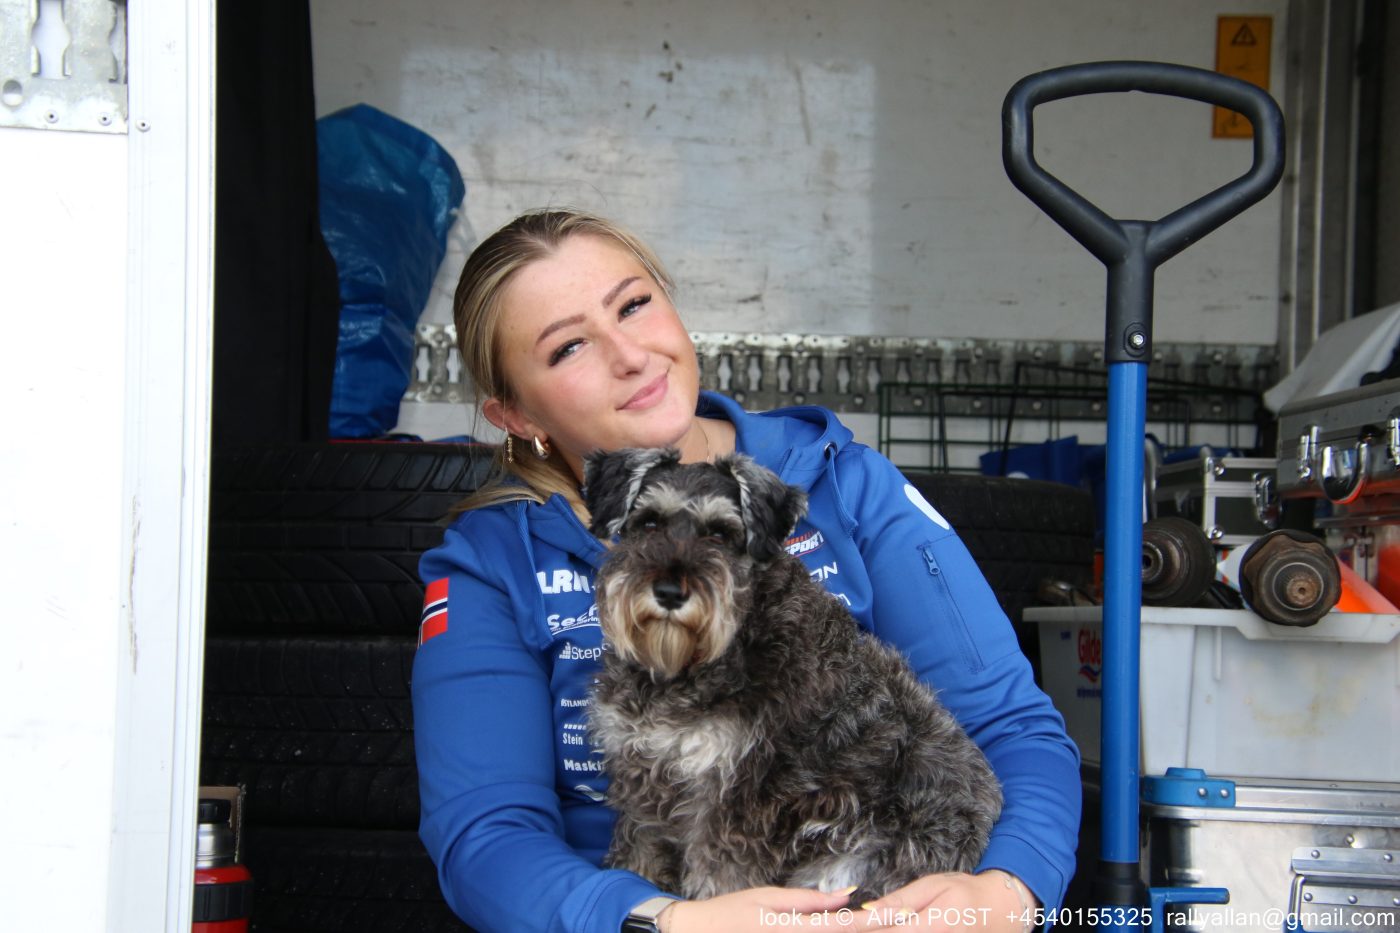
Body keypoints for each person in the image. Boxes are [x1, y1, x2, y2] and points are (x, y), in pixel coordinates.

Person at [412, 209, 1081, 933]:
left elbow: (1012, 726)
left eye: (633, 305)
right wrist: (661, 921)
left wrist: (1009, 892)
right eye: (569, 346)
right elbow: (486, 836)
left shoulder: (845, 485)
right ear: (515, 415)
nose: (630, 355)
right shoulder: (491, 560)